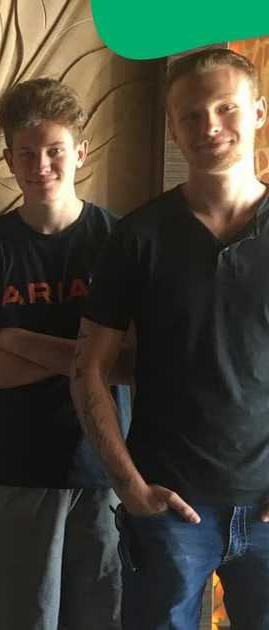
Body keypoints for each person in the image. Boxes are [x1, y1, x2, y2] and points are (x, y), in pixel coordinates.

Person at [72, 48, 269, 629]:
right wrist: (129, 485)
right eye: (191, 114)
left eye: (225, 107)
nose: (209, 125)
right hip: (168, 510)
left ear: (258, 112)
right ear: (174, 127)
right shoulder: (137, 237)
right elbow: (88, 369)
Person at [0, 78, 134, 630]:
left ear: (80, 151)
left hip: (106, 470)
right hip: (15, 473)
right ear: (9, 159)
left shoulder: (119, 242)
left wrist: (16, 339)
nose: (42, 165)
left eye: (55, 150)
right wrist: (87, 359)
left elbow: (130, 364)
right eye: (26, 154)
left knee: (101, 618)